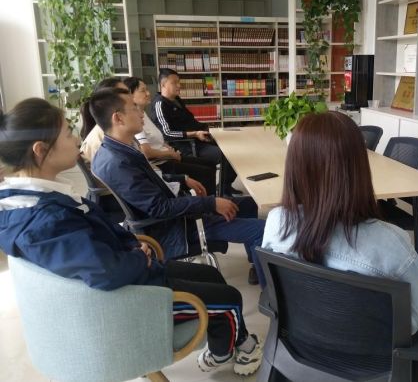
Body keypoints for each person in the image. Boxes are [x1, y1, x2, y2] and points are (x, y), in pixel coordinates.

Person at [0, 98, 263, 376]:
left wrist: (131, 244)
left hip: (131, 271)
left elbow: (95, 238)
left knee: (211, 275)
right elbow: (106, 271)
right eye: (67, 133)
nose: (76, 138)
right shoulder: (45, 221)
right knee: (230, 298)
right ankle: (236, 349)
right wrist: (138, 256)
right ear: (41, 150)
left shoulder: (32, 200)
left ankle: (226, 346)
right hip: (132, 297)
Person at [261, 111, 418, 381]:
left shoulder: (277, 222)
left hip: (299, 354)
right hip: (375, 369)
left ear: (294, 166)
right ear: (358, 167)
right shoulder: (390, 243)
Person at [91, 87, 264, 285]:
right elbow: (160, 208)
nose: (141, 113)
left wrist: (182, 179)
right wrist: (210, 203)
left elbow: (150, 180)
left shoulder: (116, 150)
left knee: (249, 204)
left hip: (177, 215)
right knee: (263, 229)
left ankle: (256, 264)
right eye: (134, 108)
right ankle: (270, 295)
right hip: (176, 227)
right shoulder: (118, 163)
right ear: (118, 118)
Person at [150, 68, 238, 195]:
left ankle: (225, 185)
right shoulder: (160, 104)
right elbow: (167, 133)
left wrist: (205, 129)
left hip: (198, 138)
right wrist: (195, 134)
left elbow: (189, 121)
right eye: (174, 83)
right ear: (163, 85)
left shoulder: (177, 99)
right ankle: (224, 189)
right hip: (187, 145)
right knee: (227, 155)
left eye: (179, 82)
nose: (179, 85)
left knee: (232, 147)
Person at [123, 76, 217, 195]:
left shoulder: (144, 114)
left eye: (147, 89)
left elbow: (158, 139)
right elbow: (147, 152)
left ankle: (211, 198)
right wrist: (170, 154)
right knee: (206, 172)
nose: (148, 93)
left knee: (210, 164)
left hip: (168, 156)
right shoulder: (136, 120)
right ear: (130, 95)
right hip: (162, 163)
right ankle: (209, 203)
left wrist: (170, 149)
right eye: (143, 90)